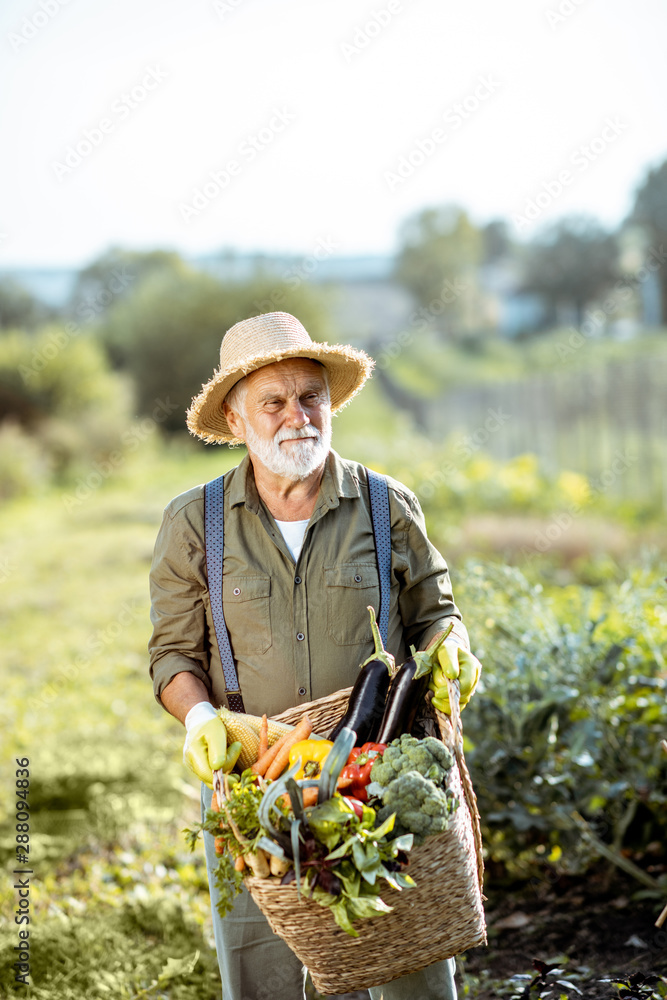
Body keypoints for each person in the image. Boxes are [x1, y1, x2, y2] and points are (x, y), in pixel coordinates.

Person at [148, 311, 480, 1000]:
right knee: (263, 978)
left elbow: (435, 613)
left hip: (376, 782)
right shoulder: (193, 522)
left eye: (310, 398)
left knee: (411, 974)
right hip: (254, 786)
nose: (296, 416)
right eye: (272, 402)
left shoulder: (386, 505)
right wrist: (200, 719)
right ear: (236, 420)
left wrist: (453, 649)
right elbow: (173, 654)